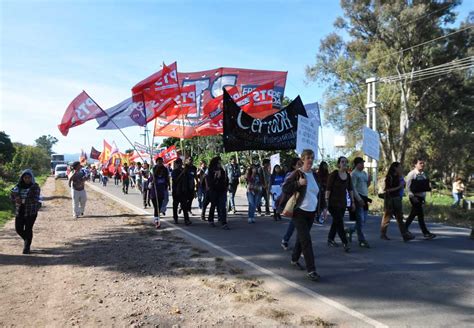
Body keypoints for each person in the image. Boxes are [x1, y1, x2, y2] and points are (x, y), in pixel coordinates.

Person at [281, 149, 320, 281]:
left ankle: (294, 259)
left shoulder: (314, 175)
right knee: (306, 240)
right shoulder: (297, 173)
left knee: (301, 238)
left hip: (311, 212)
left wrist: (324, 208)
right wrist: (298, 183)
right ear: (302, 159)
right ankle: (311, 270)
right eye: (308, 157)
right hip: (299, 212)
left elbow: (318, 192)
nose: (310, 160)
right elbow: (285, 188)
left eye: (312, 157)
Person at [380, 162, 414, 241]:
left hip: (397, 199)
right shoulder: (390, 177)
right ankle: (383, 234)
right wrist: (399, 186)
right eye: (399, 167)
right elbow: (387, 190)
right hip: (390, 200)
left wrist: (402, 184)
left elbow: (402, 186)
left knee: (400, 218)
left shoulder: (399, 177)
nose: (401, 169)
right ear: (395, 168)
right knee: (387, 217)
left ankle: (405, 235)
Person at [325, 156, 353, 252]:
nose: (344, 163)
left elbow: (350, 190)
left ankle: (330, 239)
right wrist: (326, 202)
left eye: (345, 162)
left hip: (342, 204)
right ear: (338, 164)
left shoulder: (348, 176)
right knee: (340, 223)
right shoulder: (334, 174)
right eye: (342, 162)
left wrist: (352, 202)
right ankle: (345, 243)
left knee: (336, 222)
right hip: (333, 203)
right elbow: (328, 188)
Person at [10, 169, 41, 254]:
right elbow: (11, 196)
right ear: (22, 178)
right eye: (25, 177)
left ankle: (26, 247)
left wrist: (22, 200)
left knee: (28, 229)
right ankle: (27, 240)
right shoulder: (17, 187)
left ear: (31, 178)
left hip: (31, 211)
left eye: (28, 178)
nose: (27, 179)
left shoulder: (35, 187)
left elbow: (35, 199)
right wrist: (15, 198)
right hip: (20, 210)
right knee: (18, 229)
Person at [405, 158, 436, 239]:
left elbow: (423, 187)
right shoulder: (412, 174)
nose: (422, 165)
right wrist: (412, 196)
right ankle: (426, 233)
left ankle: (404, 228)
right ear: (415, 164)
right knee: (420, 215)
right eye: (420, 163)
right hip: (414, 197)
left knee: (414, 214)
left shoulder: (423, 174)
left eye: (423, 163)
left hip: (420, 197)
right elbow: (408, 187)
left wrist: (424, 198)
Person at [346, 157, 371, 248]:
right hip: (358, 199)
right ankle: (362, 240)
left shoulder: (364, 173)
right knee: (360, 220)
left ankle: (350, 230)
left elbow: (366, 186)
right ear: (357, 164)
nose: (363, 165)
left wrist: (369, 181)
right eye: (361, 163)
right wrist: (358, 199)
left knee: (363, 220)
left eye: (363, 163)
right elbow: (353, 188)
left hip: (364, 198)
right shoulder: (354, 174)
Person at [280, 158, 303, 250]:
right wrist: (298, 183)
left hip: (303, 202)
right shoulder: (290, 175)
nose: (301, 166)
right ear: (294, 166)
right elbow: (286, 187)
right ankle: (288, 241)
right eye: (298, 164)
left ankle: (287, 240)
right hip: (294, 202)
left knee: (296, 224)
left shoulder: (304, 174)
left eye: (302, 163)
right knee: (296, 223)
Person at [207, 156, 230, 229]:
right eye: (219, 162)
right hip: (214, 190)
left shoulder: (222, 170)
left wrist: (226, 186)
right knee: (213, 205)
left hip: (222, 190)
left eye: (220, 162)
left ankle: (224, 222)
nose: (220, 164)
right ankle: (211, 220)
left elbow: (226, 179)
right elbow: (210, 182)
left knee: (223, 206)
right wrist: (216, 177)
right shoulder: (210, 170)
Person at [148, 157, 170, 229]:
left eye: (161, 161)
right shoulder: (153, 170)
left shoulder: (165, 169)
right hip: (154, 192)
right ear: (156, 162)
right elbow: (149, 182)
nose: (160, 163)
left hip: (161, 191)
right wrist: (152, 182)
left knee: (159, 207)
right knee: (156, 207)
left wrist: (168, 185)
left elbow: (167, 179)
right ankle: (157, 221)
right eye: (159, 162)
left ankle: (157, 219)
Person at [171, 158, 192, 225]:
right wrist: (182, 173)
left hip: (183, 191)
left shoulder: (184, 170)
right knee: (175, 205)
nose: (180, 164)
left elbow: (188, 179)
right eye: (178, 163)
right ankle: (175, 218)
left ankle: (186, 220)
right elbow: (175, 180)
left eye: (180, 163)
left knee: (184, 206)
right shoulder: (174, 171)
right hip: (176, 190)